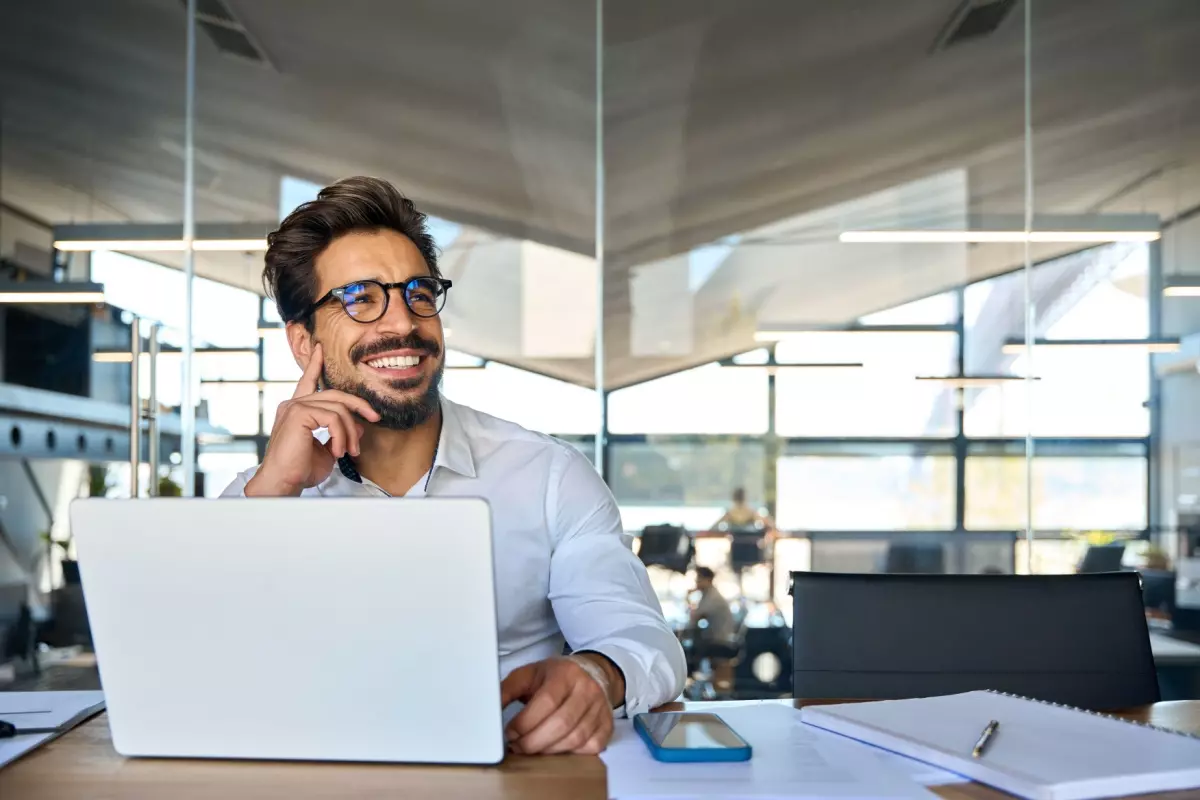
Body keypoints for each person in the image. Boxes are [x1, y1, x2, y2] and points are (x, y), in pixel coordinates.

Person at [222, 176, 685, 755]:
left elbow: (643, 639)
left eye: (418, 292)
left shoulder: (548, 476)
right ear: (301, 342)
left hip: (510, 777)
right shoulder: (259, 497)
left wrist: (595, 674)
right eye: (361, 298)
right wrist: (277, 488)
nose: (402, 323)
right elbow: (200, 654)